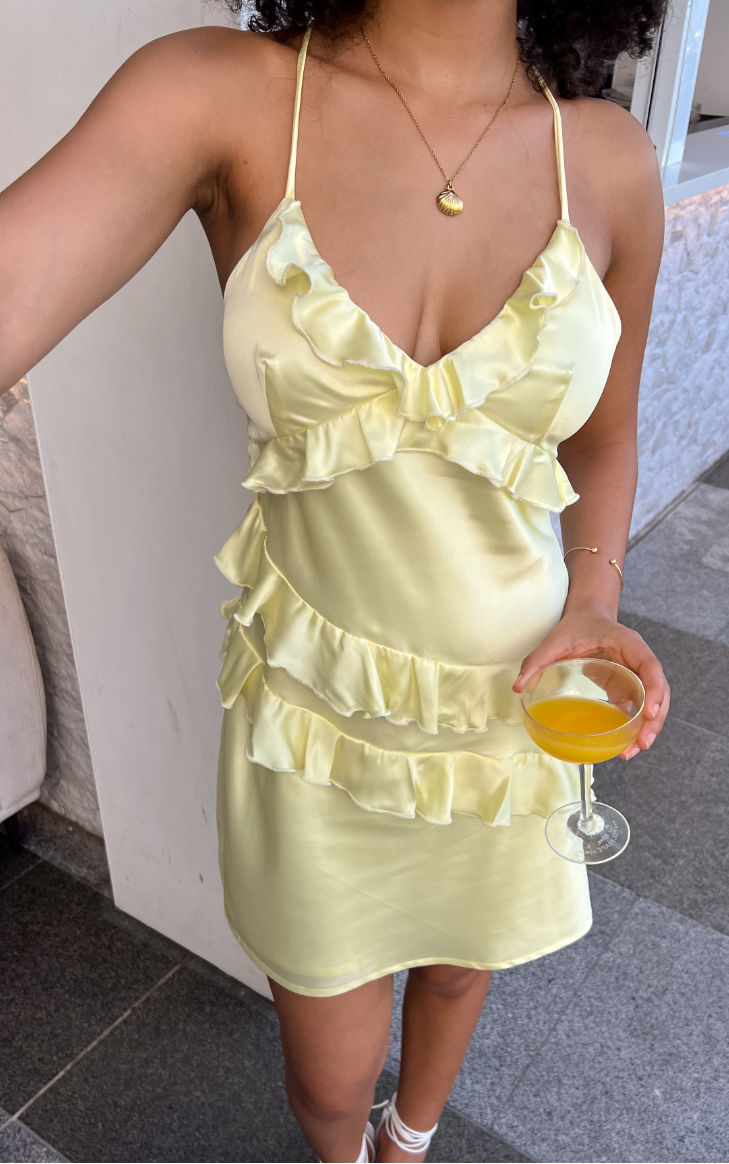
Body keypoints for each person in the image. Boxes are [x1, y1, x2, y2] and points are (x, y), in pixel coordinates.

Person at [0, 1, 671, 1160]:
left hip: (515, 699)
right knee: (324, 1078)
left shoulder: (607, 158)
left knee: (464, 970)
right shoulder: (222, 95)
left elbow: (604, 438)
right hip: (312, 725)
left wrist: (596, 599)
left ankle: (412, 1145)